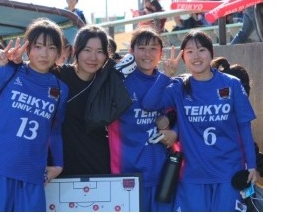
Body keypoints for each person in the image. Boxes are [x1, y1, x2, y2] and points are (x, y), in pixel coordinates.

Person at [135, 32, 260, 212]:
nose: (196, 56)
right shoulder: (179, 86)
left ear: (211, 53)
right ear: (184, 57)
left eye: (201, 50)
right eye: (190, 51)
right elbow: (149, 104)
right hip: (192, 177)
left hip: (228, 174)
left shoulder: (231, 84)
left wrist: (252, 166)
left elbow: (244, 128)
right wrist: (166, 76)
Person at [0, 19, 69, 212]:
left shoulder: (60, 89)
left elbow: (55, 131)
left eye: (51, 47)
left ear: (59, 52)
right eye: (38, 46)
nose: (44, 53)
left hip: (31, 177)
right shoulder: (8, 73)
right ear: (27, 48)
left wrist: (58, 164)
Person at [115, 29, 174, 211]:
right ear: (131, 52)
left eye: (153, 48)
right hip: (128, 172)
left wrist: (174, 131)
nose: (147, 54)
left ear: (161, 53)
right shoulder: (120, 82)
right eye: (141, 48)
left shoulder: (172, 83)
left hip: (162, 172)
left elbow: (182, 120)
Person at [54, 26, 116, 178]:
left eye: (100, 51)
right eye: (87, 50)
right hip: (58, 165)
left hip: (97, 164)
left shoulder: (109, 82)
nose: (93, 57)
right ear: (76, 50)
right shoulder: (58, 74)